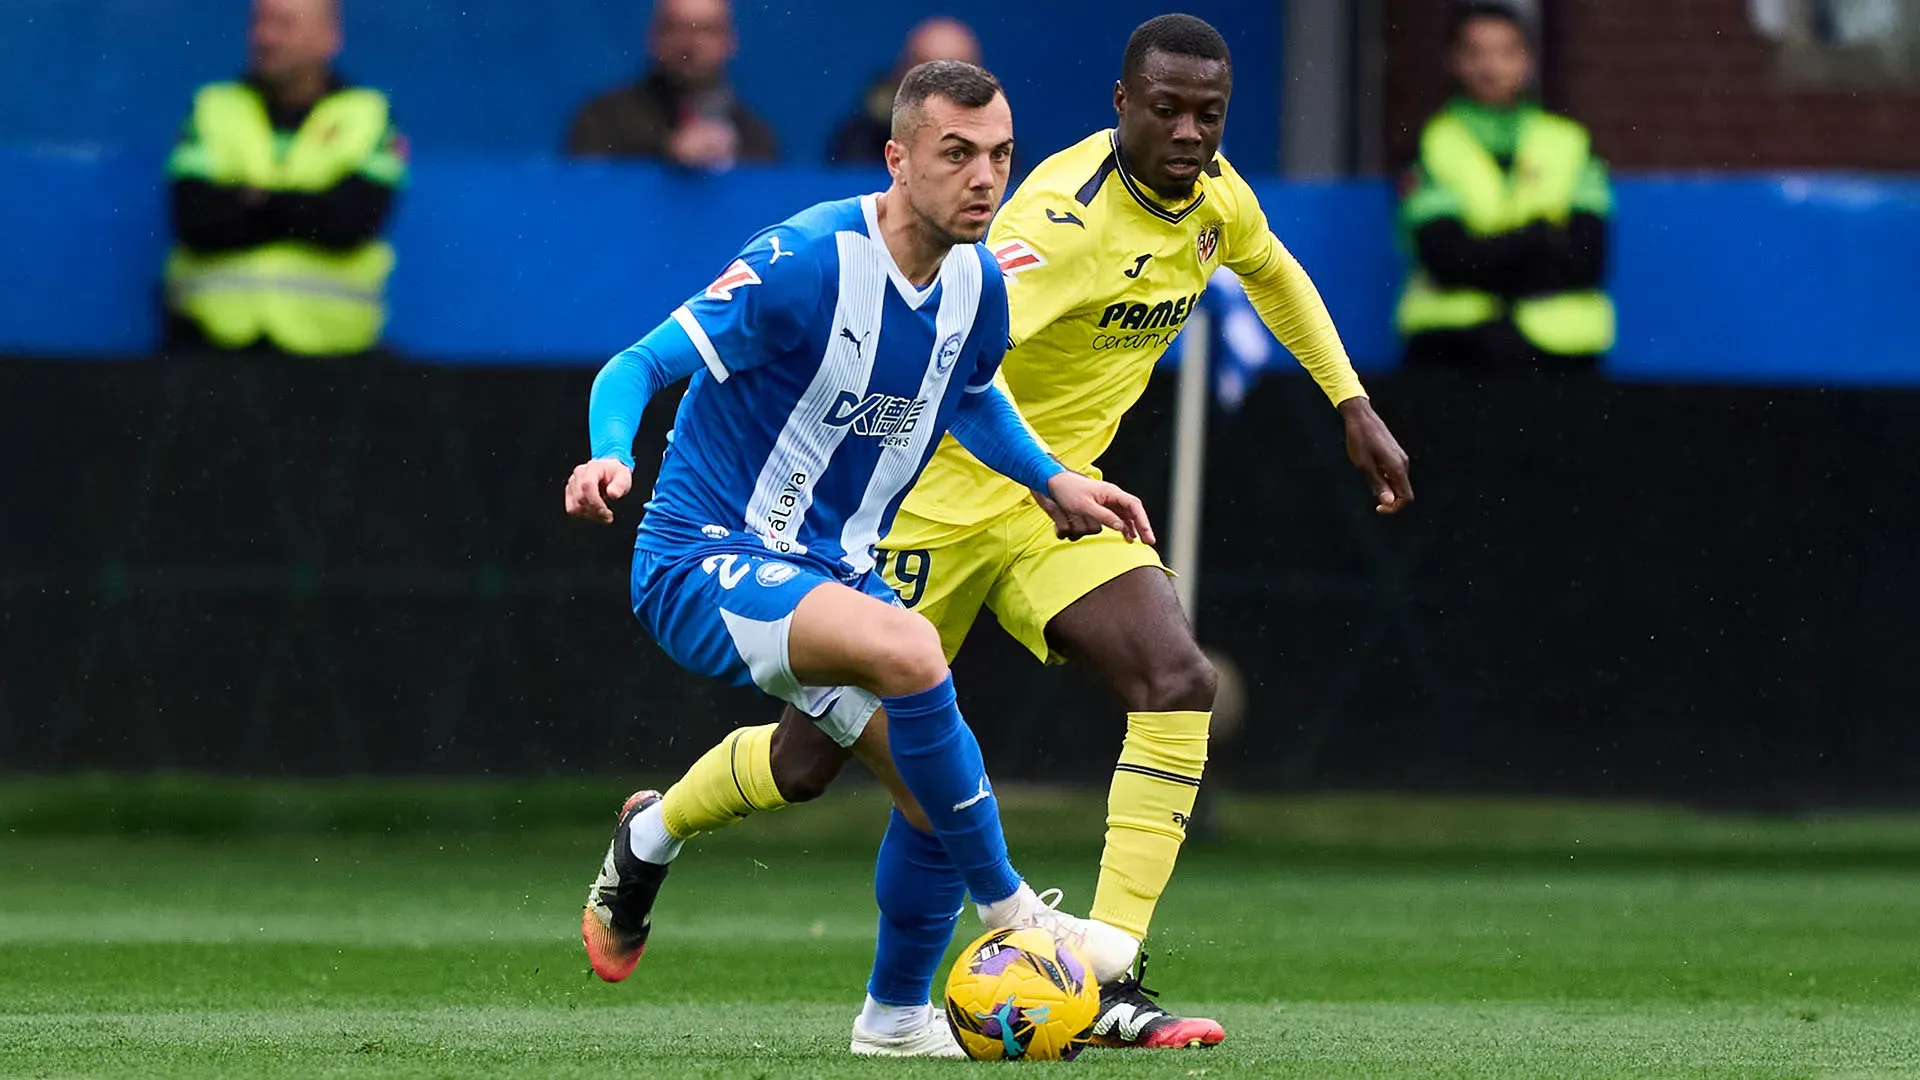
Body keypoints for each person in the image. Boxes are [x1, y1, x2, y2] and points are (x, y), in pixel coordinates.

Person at [623, 13, 1416, 1052]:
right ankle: (654, 832)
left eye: (1208, 116)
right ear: (1120, 107)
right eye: (1167, 110)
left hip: (1053, 509)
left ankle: (1109, 970)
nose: (1189, 133)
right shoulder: (1050, 230)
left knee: (1178, 676)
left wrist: (1349, 401)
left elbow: (1270, 270)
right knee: (822, 767)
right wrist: (1018, 463)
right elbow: (957, 373)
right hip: (925, 511)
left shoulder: (1216, 199)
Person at [565, 60, 1150, 1059]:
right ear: (897, 157)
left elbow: (967, 394)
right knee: (915, 653)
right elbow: (639, 363)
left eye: (1000, 155)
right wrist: (610, 451)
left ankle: (885, 1016)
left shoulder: (978, 283)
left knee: (932, 794)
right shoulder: (806, 261)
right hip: (704, 555)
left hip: (833, 568)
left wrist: (1051, 480)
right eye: (956, 153)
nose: (984, 178)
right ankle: (1016, 918)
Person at [164, 0, 407, 358]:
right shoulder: (213, 105)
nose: (265, 37)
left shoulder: (367, 113)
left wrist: (252, 200)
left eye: (284, 24)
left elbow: (352, 222)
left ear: (328, 38)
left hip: (333, 356)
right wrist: (306, 205)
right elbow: (195, 218)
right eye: (259, 22)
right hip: (210, 350)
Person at [1395, 1, 1615, 374]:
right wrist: (1539, 238)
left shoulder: (1570, 143)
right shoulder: (1432, 143)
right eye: (1476, 52)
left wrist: (1489, 255)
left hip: (1561, 353)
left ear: (1528, 59)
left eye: (1506, 52)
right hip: (1454, 348)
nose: (1490, 67)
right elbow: (1445, 257)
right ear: (1454, 60)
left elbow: (1587, 259)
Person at [566, 0, 778, 169]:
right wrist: (665, 151)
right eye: (677, 28)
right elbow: (587, 195)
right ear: (653, 36)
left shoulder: (755, 138)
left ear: (730, 41)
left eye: (706, 30)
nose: (691, 44)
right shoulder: (603, 119)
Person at [827, 17, 982, 166]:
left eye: (957, 71)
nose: (942, 83)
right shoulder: (863, 139)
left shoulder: (997, 137)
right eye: (928, 69)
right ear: (905, 71)